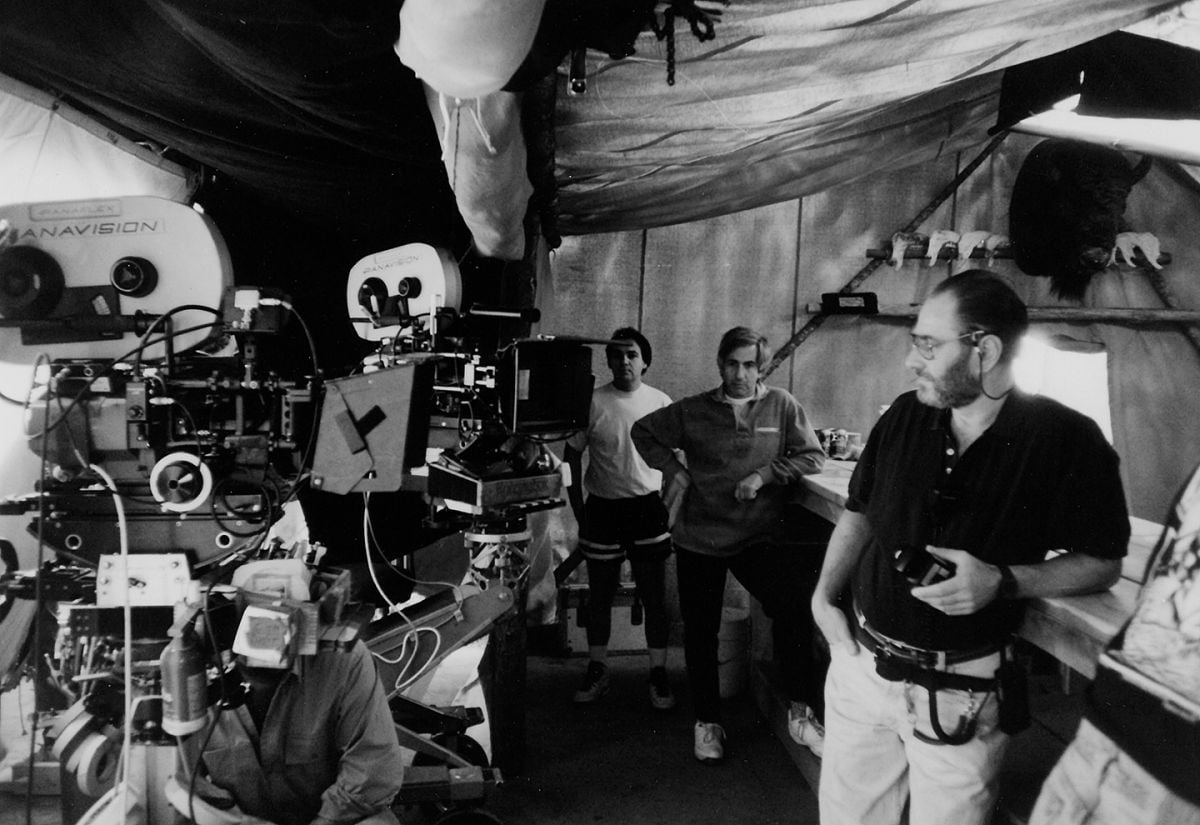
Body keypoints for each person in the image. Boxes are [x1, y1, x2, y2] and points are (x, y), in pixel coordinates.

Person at [811, 270, 1130, 825]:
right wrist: (822, 598)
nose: (912, 361)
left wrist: (1004, 581)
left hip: (962, 690)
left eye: (927, 345)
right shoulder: (907, 415)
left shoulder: (1066, 440)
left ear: (985, 349)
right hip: (862, 668)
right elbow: (859, 512)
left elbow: (1103, 563)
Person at [632, 326, 826, 762]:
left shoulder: (781, 405)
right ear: (720, 365)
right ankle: (707, 724)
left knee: (794, 607)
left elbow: (812, 454)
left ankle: (800, 711)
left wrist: (766, 475)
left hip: (755, 536)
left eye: (750, 365)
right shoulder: (692, 411)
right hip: (699, 537)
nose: (741, 374)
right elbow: (643, 433)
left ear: (762, 367)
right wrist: (673, 470)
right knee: (700, 632)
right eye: (732, 364)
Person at [170, 635, 404, 825]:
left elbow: (374, 771)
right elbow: (182, 782)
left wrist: (326, 820)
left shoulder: (345, 658)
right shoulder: (183, 667)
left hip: (328, 818)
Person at [565, 328, 677, 709]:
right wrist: (579, 510)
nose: (623, 362)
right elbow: (570, 456)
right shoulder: (591, 403)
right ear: (608, 362)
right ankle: (598, 668)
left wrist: (670, 508)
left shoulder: (661, 403)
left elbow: (678, 463)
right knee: (599, 596)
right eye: (615, 356)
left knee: (653, 597)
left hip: (647, 510)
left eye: (630, 354)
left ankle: (658, 673)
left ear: (644, 360)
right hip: (602, 510)